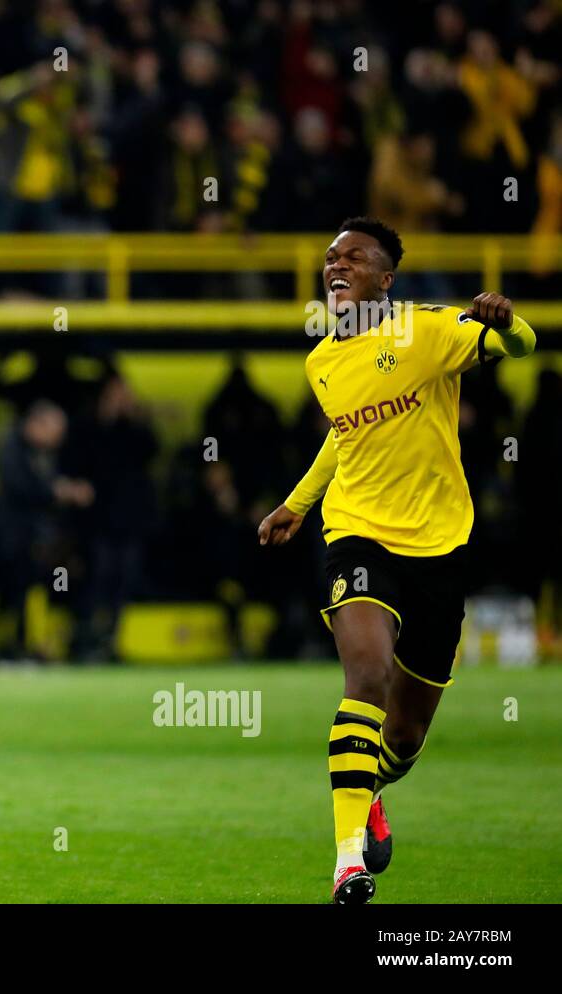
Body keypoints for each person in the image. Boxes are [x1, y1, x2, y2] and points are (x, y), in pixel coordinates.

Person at [258, 217, 536, 904]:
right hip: (356, 535)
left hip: (439, 546)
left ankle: (371, 789)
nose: (336, 265)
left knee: (406, 736)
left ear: (386, 277)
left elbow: (524, 346)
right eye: (330, 256)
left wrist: (508, 320)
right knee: (368, 674)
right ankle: (347, 861)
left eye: (355, 256)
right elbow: (345, 438)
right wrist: (299, 503)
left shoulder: (431, 331)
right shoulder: (321, 360)